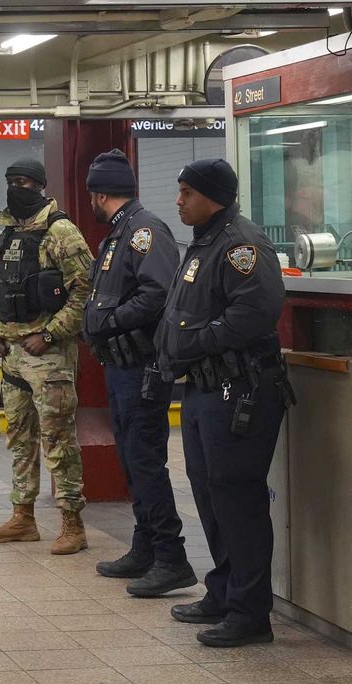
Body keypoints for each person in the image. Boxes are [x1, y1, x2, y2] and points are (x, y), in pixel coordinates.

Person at [155, 159, 290, 648]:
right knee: (210, 493)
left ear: (212, 196)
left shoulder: (240, 245)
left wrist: (196, 342)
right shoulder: (205, 242)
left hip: (240, 388)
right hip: (204, 388)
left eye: (187, 192)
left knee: (237, 498)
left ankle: (250, 613)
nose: (178, 200)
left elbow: (255, 312)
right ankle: (225, 590)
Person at [82, 149, 196, 595]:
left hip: (141, 366)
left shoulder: (144, 230)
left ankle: (171, 557)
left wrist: (109, 321)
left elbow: (157, 293)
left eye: (92, 194)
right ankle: (145, 545)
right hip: (121, 365)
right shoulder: (119, 232)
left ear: (100, 194)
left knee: (145, 460)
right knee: (132, 459)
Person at [0, 158, 93, 555]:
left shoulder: (61, 231)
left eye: (24, 182)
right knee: (19, 440)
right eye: (11, 181)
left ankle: (72, 524)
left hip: (48, 356)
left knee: (59, 440)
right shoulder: (8, 231)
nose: (16, 188)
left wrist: (49, 334)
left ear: (41, 186)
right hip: (11, 354)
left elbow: (84, 291)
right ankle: (22, 517)